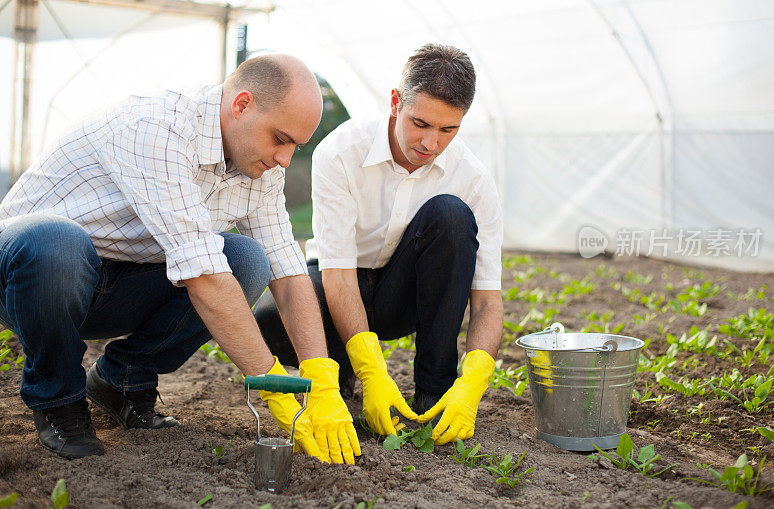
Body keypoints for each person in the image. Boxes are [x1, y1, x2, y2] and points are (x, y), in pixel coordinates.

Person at [0, 54, 359, 464]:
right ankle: (58, 399)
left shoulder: (260, 166)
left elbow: (288, 270)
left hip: (116, 283)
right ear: (241, 105)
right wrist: (272, 382)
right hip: (29, 280)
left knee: (248, 260)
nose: (285, 159)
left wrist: (321, 375)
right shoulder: (155, 128)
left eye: (296, 145)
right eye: (281, 139)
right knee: (56, 240)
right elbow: (203, 274)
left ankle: (122, 381)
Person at [255, 44, 503, 444]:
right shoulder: (341, 151)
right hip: (339, 286)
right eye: (420, 123)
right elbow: (337, 272)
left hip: (402, 297)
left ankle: (433, 392)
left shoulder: (472, 178)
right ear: (395, 102)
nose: (430, 143)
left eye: (447, 129)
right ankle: (346, 367)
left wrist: (475, 379)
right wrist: (372, 366)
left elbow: (488, 301)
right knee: (270, 319)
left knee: (452, 217)